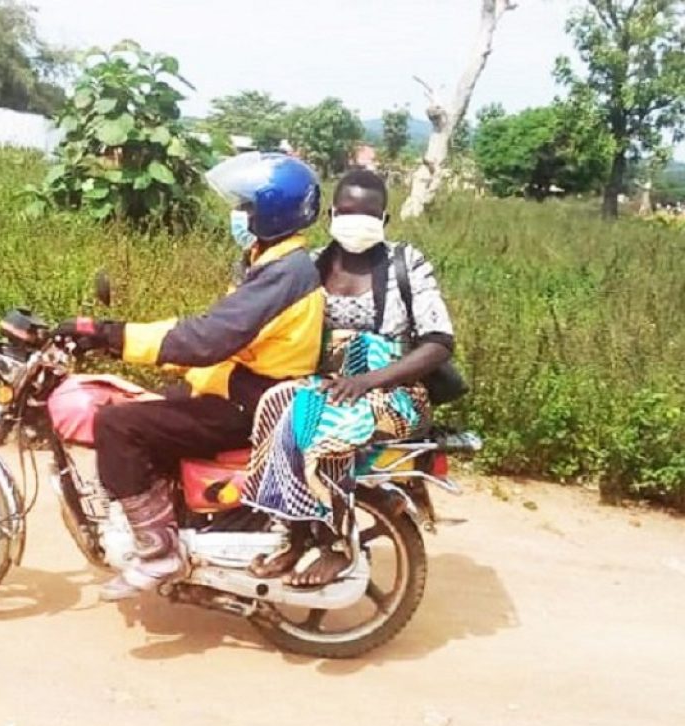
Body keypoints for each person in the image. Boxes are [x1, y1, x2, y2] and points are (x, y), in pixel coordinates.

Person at [64, 152, 325, 601]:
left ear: (270, 212)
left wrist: (113, 336)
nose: (237, 215)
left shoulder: (285, 273)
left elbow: (207, 338)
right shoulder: (269, 260)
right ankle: (172, 518)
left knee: (117, 424)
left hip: (252, 405)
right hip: (242, 387)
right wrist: (128, 342)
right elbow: (213, 338)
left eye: (245, 207)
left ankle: (159, 550)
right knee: (149, 408)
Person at [244, 168, 455, 587]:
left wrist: (368, 381)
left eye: (368, 213)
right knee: (274, 406)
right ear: (330, 215)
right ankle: (294, 531)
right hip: (326, 386)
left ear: (385, 220)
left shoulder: (405, 264)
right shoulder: (311, 266)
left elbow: (439, 342)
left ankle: (338, 545)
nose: (357, 220)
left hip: (394, 392)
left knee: (325, 425)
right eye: (347, 211)